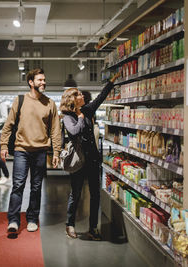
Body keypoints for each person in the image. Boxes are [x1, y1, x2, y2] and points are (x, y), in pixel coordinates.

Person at [60, 73, 120, 240]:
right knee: (76, 193)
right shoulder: (68, 117)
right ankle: (69, 224)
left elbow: (100, 98)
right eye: (78, 94)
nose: (82, 96)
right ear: (72, 99)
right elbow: (74, 132)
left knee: (95, 194)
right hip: (78, 161)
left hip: (92, 160)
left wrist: (111, 82)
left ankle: (93, 228)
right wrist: (80, 118)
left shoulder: (87, 110)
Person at [0, 68, 61, 233]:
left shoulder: (50, 103)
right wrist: (4, 145)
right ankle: (13, 220)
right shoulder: (20, 100)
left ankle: (32, 218)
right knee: (18, 185)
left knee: (36, 186)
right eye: (40, 80)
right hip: (21, 150)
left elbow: (56, 130)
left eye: (44, 79)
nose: (43, 82)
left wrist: (56, 152)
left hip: (41, 151)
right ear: (31, 82)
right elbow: (8, 125)